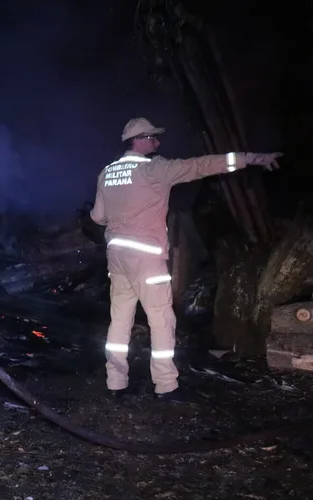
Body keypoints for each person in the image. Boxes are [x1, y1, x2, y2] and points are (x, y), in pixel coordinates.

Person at [91, 117, 282, 401]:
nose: (157, 143)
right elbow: (203, 165)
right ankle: (166, 386)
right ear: (141, 139)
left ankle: (115, 382)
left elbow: (98, 217)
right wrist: (253, 158)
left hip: (118, 258)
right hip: (147, 258)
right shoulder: (156, 169)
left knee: (119, 321)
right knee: (161, 321)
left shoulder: (107, 172)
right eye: (154, 138)